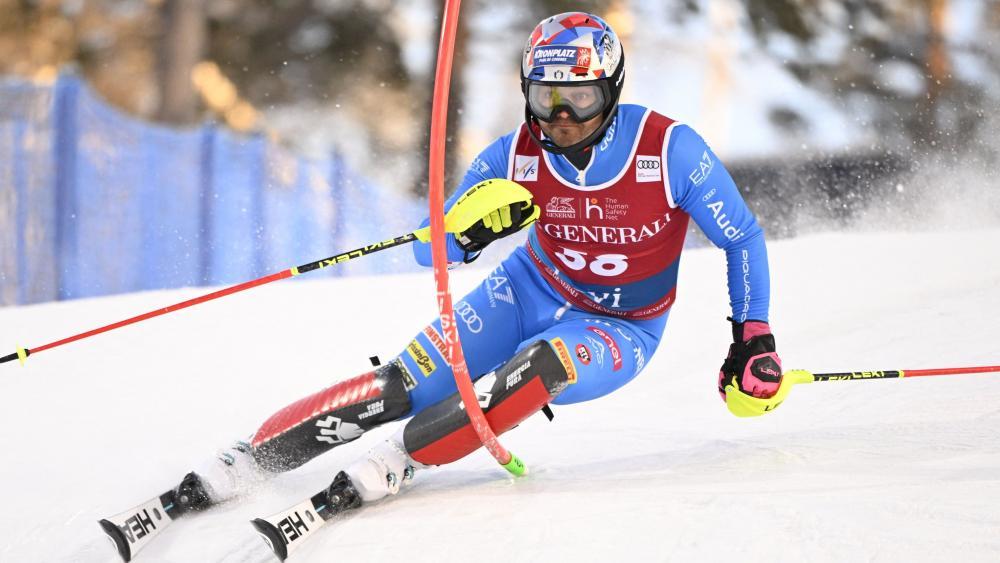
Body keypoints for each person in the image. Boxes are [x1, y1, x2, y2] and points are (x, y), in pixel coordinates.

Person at [166, 11, 784, 518]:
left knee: (536, 368)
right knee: (404, 385)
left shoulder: (671, 151)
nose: (561, 119)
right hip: (526, 291)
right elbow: (426, 247)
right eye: (546, 98)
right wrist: (463, 237)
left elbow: (743, 239)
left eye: (580, 98)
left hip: (622, 327)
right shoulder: (510, 157)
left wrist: (751, 335)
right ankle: (253, 458)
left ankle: (403, 456)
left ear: (613, 90)